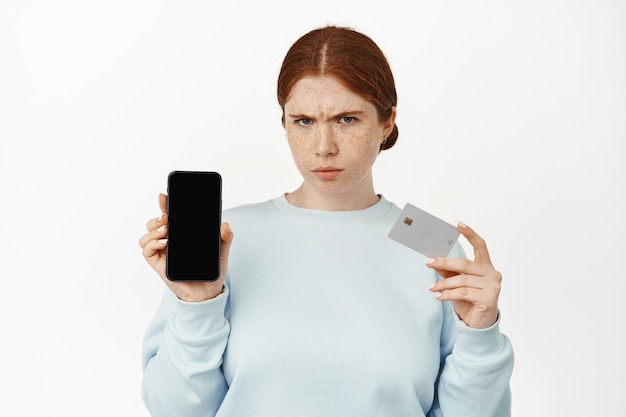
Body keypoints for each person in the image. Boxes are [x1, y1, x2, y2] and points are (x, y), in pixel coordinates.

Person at [139, 25, 514, 417]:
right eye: (303, 121)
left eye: (347, 119)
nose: (324, 147)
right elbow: (174, 411)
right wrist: (197, 304)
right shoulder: (227, 238)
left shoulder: (430, 240)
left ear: (387, 123)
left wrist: (480, 337)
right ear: (283, 121)